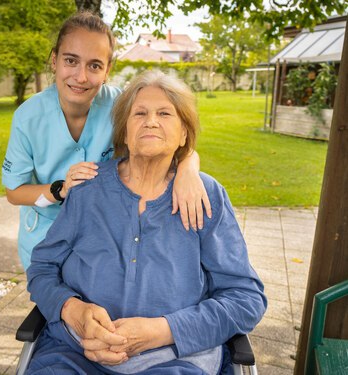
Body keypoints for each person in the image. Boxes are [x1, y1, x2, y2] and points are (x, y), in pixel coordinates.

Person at [26, 70, 267, 374]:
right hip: (75, 352)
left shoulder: (207, 197)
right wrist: (72, 310)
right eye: (139, 113)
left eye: (164, 113)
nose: (151, 121)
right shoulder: (88, 188)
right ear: (125, 132)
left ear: (183, 135)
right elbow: (42, 268)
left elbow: (245, 298)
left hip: (174, 359)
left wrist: (163, 330)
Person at [2, 11, 211, 270]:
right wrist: (60, 189)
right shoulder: (28, 117)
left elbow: (167, 139)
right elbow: (14, 192)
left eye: (94, 65)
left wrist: (188, 169)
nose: (80, 77)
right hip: (45, 237)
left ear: (107, 70)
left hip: (104, 237)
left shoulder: (121, 105)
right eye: (70, 60)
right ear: (54, 60)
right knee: (54, 303)